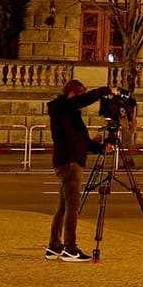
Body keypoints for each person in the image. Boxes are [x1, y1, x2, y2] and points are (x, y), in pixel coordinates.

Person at [45, 78, 110, 262]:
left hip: (68, 161)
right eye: (79, 95)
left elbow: (81, 139)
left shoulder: (67, 111)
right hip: (69, 163)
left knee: (63, 206)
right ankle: (70, 248)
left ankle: (54, 246)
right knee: (72, 207)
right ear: (72, 95)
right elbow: (84, 100)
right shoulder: (63, 107)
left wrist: (102, 148)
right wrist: (105, 90)